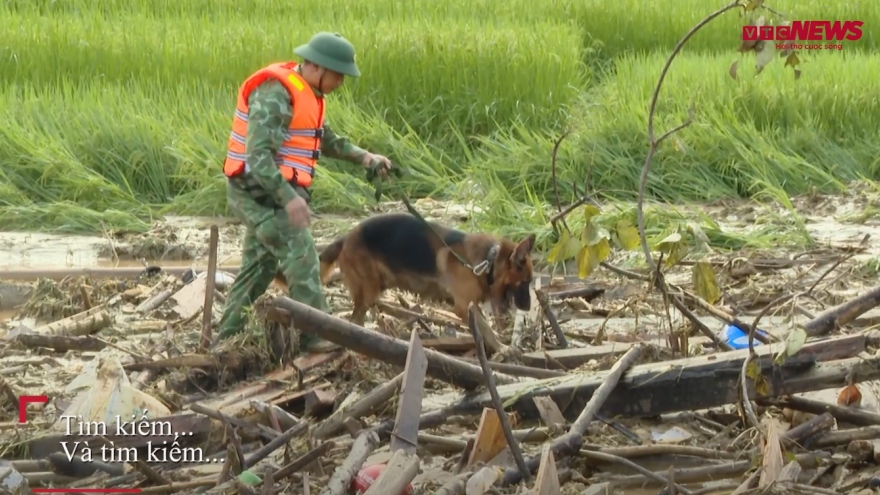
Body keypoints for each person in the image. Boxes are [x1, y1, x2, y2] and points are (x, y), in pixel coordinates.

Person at [216, 31, 393, 353]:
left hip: (270, 196)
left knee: (258, 271)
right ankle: (315, 337)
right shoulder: (274, 93)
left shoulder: (306, 94)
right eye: (338, 74)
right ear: (317, 67)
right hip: (257, 196)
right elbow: (258, 157)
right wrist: (290, 199)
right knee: (304, 260)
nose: (340, 82)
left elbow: (323, 137)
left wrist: (365, 157)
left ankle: (225, 341)